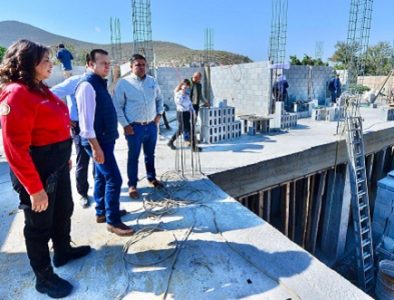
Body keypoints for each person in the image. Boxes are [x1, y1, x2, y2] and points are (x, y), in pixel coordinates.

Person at [0, 39, 90, 298]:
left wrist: (65, 158)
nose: (52, 64)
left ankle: (62, 250)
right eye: (45, 60)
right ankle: (44, 277)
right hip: (36, 173)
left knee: (63, 210)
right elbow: (15, 148)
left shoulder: (39, 88)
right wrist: (34, 189)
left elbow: (53, 126)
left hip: (57, 166)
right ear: (28, 64)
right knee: (39, 225)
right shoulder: (16, 92)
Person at [75, 49, 133, 236]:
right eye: (103, 63)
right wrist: (95, 147)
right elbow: (85, 124)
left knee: (101, 176)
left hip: (105, 139)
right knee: (114, 179)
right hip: (97, 141)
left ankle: (103, 212)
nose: (107, 66)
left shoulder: (99, 83)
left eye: (108, 62)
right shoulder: (87, 86)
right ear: (91, 65)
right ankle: (113, 221)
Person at [113, 54, 164, 199]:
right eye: (138, 65)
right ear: (131, 67)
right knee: (133, 157)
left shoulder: (152, 81)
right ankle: (132, 185)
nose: (141, 67)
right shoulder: (124, 83)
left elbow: (160, 99)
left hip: (152, 126)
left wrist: (159, 115)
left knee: (150, 154)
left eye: (143, 64)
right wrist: (125, 125)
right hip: (134, 128)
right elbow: (118, 107)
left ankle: (151, 178)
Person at [51, 73, 91, 208]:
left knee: (100, 161)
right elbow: (50, 94)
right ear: (89, 64)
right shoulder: (74, 81)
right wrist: (64, 116)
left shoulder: (99, 80)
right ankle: (83, 193)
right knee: (83, 160)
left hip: (97, 126)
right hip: (79, 127)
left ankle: (100, 191)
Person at [167, 79, 196, 150]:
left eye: (188, 87)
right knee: (183, 129)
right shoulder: (178, 93)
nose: (187, 89)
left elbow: (189, 104)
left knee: (188, 129)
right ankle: (171, 142)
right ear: (182, 86)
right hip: (181, 114)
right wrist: (182, 93)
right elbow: (179, 102)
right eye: (185, 87)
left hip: (187, 113)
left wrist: (193, 111)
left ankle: (193, 145)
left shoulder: (187, 95)